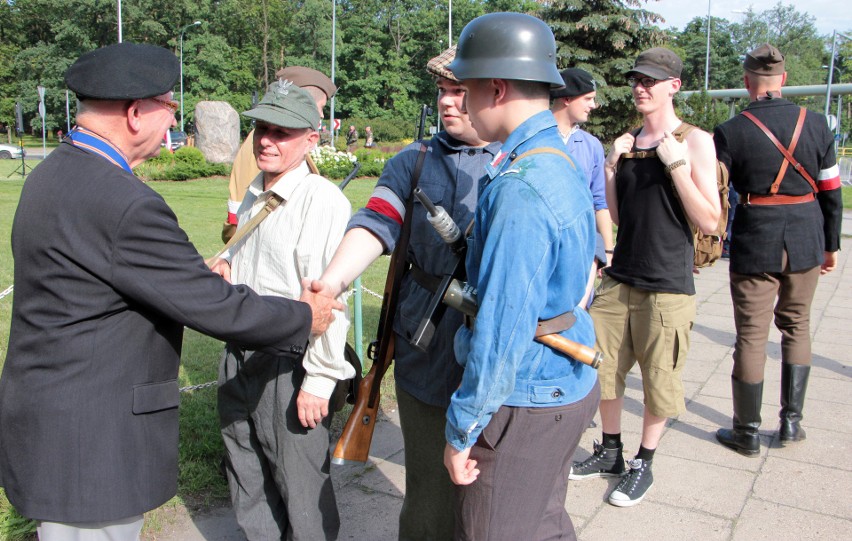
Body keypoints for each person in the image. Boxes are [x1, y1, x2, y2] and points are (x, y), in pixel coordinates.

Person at [0, 42, 342, 541]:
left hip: (65, 422)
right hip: (92, 443)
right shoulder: (124, 201)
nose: (173, 122)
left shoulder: (55, 173)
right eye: (169, 107)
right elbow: (214, 305)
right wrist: (302, 318)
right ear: (136, 114)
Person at [313, 45, 499, 541]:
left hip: (504, 348)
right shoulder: (410, 163)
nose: (448, 102)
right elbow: (375, 223)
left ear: (492, 92)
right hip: (429, 342)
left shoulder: (523, 161)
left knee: (494, 499)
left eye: (460, 91)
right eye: (442, 91)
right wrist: (331, 283)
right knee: (429, 497)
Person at [443, 13, 600, 540]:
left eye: (465, 89)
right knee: (546, 524)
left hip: (525, 397)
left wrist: (462, 427)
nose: (460, 103)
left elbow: (503, 326)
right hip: (562, 381)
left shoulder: (521, 185)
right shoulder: (555, 157)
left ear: (497, 86)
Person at [575, 48, 720, 507]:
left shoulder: (694, 140)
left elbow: (711, 220)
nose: (641, 87)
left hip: (668, 283)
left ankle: (644, 463)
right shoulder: (629, 140)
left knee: (660, 379)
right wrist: (614, 165)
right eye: (637, 79)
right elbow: (618, 216)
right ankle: (612, 451)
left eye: (651, 81)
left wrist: (675, 163)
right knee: (603, 370)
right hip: (621, 277)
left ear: (674, 86)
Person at [207, 81, 352, 540]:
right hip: (240, 350)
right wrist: (228, 261)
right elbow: (250, 247)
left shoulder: (322, 200)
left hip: (290, 362)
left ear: (312, 139)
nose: (266, 139)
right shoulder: (257, 188)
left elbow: (328, 298)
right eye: (261, 128)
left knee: (301, 488)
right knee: (247, 473)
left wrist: (320, 381)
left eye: (281, 132)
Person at [713, 44, 842, 456]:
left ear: (747, 83)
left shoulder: (731, 130)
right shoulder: (818, 124)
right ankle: (790, 425)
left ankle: (746, 432)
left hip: (755, 240)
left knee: (751, 334)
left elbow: (717, 194)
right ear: (784, 79)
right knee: (797, 326)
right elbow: (832, 192)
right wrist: (831, 244)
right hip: (807, 236)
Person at [223, 66, 337, 242]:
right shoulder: (264, 143)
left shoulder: (277, 138)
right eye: (321, 106)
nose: (321, 114)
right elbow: (245, 205)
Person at [550, 67, 614, 257]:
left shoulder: (592, 146)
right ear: (567, 98)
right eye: (588, 99)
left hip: (580, 250)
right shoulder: (534, 136)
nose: (593, 105)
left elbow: (600, 201)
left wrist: (607, 251)